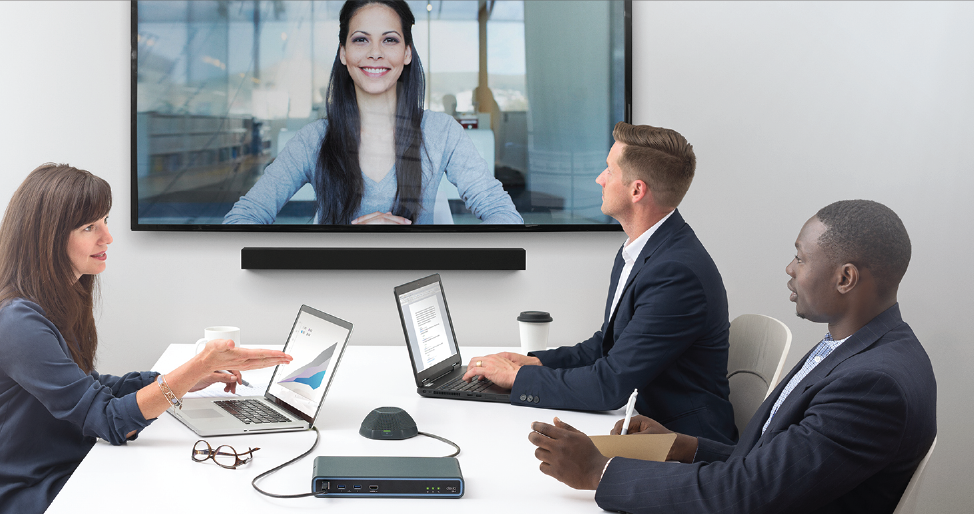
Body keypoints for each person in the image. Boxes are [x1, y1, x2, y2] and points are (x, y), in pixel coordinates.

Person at [529, 200, 936, 514]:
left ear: (845, 277)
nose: (790, 268)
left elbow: (746, 493)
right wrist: (681, 447)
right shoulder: (857, 346)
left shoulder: (873, 385)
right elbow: (783, 466)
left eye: (802, 257)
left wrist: (598, 472)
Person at [0, 164, 292, 514]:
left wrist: (187, 378)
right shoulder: (15, 322)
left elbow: (88, 389)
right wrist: (192, 370)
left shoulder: (46, 302)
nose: (107, 237)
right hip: (13, 494)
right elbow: (110, 422)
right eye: (89, 227)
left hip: (42, 470)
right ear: (47, 237)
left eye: (104, 221)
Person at [463, 122, 737, 444]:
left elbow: (609, 386)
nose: (599, 179)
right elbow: (607, 347)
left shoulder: (676, 275)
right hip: (642, 427)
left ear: (637, 190)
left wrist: (517, 377)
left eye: (609, 170)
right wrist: (537, 362)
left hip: (685, 448)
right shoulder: (643, 250)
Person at [223, 0, 522, 225]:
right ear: (343, 53)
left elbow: (502, 213)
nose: (375, 52)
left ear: (406, 52)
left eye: (389, 39)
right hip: (334, 290)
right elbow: (243, 217)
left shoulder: (441, 132)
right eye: (361, 39)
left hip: (417, 291)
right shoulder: (312, 140)